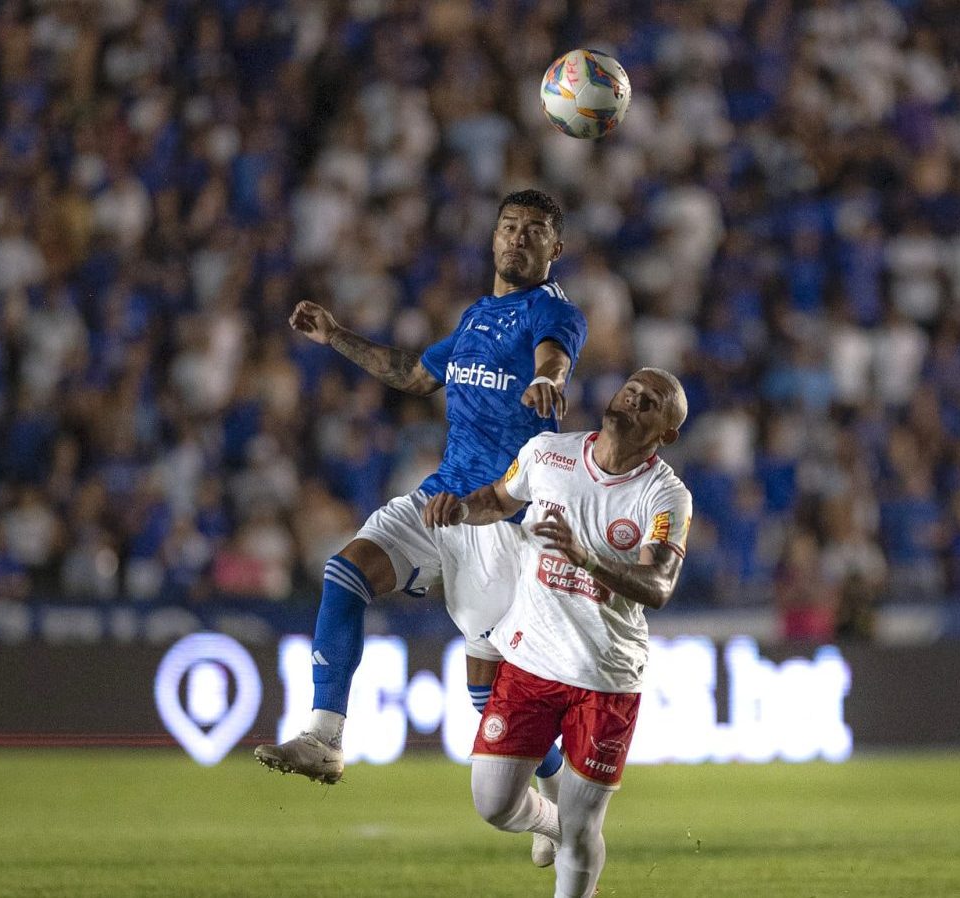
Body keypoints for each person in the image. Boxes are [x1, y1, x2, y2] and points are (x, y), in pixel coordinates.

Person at [255, 190, 587, 812]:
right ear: (492, 239)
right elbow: (413, 374)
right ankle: (325, 737)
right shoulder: (474, 319)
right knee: (344, 572)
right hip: (441, 497)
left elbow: (554, 356)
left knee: (490, 699)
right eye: (508, 227)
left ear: (554, 248)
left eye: (533, 230)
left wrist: (548, 378)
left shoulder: (554, 312)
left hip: (503, 516)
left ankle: (557, 792)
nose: (517, 238)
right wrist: (336, 337)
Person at [422, 368, 692, 898]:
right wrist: (461, 508)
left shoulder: (666, 496)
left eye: (651, 402)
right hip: (529, 663)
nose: (634, 399)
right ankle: (552, 823)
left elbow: (658, 585)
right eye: (631, 389)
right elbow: (500, 499)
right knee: (493, 804)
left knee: (584, 822)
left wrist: (584, 556)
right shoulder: (548, 452)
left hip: (605, 676)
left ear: (667, 433)